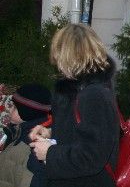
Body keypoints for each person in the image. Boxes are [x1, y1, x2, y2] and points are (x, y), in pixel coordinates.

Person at [28, 24, 120, 187]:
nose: (56, 61)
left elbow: (92, 156)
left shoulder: (94, 95)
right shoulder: (79, 90)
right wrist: (50, 132)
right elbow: (80, 132)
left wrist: (50, 153)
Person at [0, 84, 51, 187]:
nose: (9, 110)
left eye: (14, 107)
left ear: (26, 113)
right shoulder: (18, 131)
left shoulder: (35, 146)